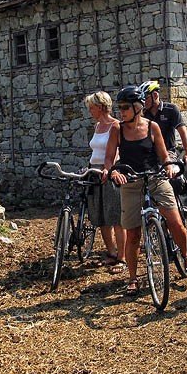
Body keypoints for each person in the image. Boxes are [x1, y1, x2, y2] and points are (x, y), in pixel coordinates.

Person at [103, 85, 187, 296]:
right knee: (133, 233)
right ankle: (133, 278)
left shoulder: (152, 127)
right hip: (131, 181)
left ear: (137, 107)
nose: (121, 111)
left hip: (155, 178)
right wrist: (113, 173)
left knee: (175, 222)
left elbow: (163, 156)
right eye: (120, 108)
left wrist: (170, 166)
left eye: (125, 107)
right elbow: (109, 159)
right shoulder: (117, 130)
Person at [84, 91, 126, 274]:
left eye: (91, 107)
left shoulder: (116, 126)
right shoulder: (97, 126)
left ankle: (122, 257)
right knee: (101, 215)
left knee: (115, 215)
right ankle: (111, 252)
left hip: (110, 171)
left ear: (100, 107)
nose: (90, 111)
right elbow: (96, 151)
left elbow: (119, 151)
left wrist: (111, 169)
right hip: (94, 171)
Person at [139, 80, 187, 166]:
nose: (143, 102)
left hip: (168, 152)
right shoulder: (143, 114)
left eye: (146, 98)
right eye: (142, 99)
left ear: (155, 95)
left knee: (172, 172)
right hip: (149, 154)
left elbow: (183, 132)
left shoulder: (171, 109)